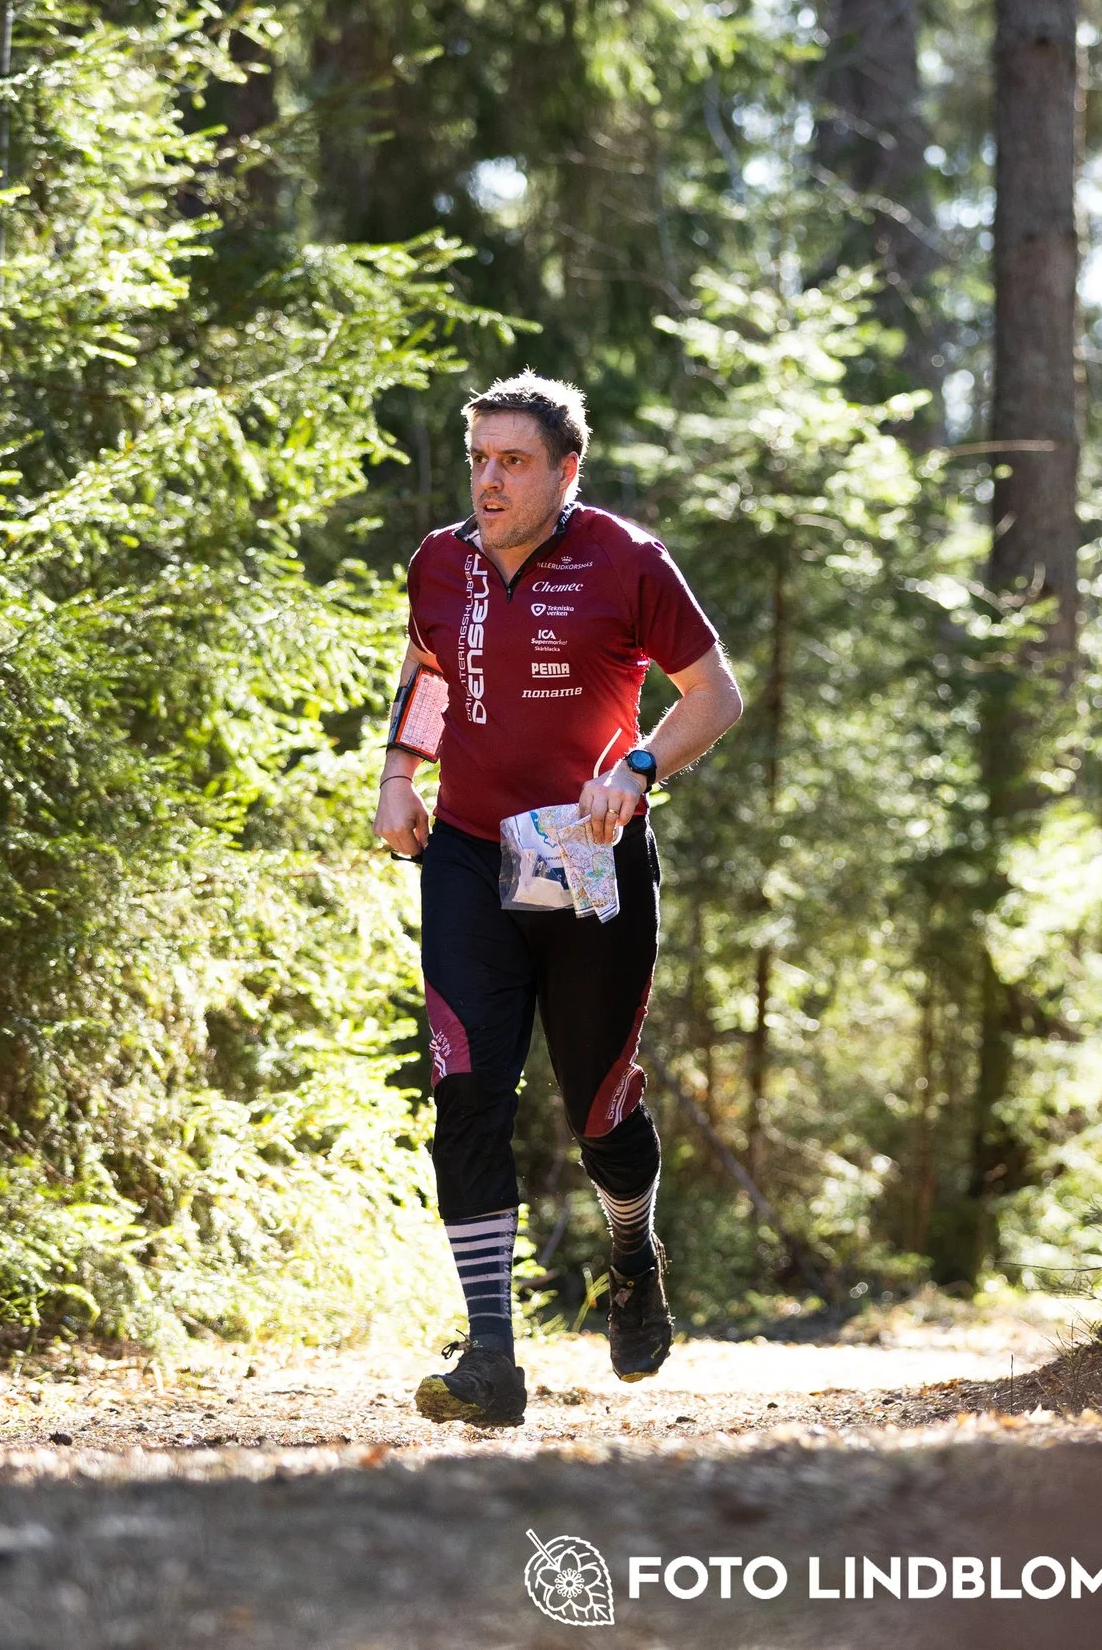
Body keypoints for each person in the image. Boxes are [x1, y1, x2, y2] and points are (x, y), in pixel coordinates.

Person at [373, 373, 743, 1427]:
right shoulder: (439, 561)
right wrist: (400, 777)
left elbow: (714, 693)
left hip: (591, 864)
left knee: (598, 1107)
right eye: (480, 457)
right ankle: (490, 1350)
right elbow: (431, 668)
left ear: (565, 470)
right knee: (467, 1085)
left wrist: (635, 768)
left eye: (514, 461)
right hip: (470, 860)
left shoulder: (627, 561)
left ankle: (633, 1254)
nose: (489, 478)